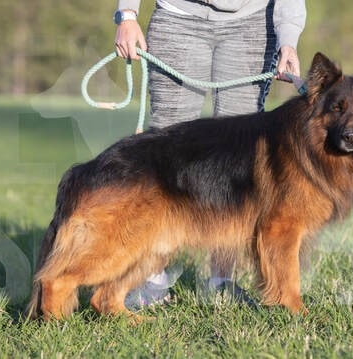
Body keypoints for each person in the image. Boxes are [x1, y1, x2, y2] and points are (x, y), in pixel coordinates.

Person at [113, 0, 306, 306]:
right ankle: (153, 279)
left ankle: (221, 281)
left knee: (239, 157)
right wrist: (127, 15)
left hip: (251, 23)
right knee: (166, 149)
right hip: (178, 17)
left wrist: (288, 42)